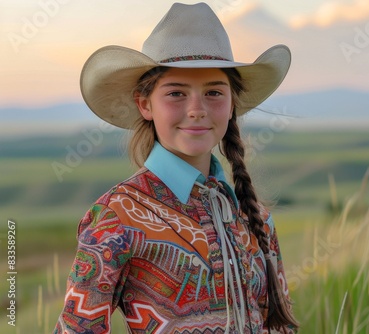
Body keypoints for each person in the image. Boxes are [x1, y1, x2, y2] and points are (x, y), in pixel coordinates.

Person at [54, 2, 298, 333]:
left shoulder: (255, 217)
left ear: (232, 104)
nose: (196, 109)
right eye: (176, 93)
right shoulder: (117, 217)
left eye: (213, 91)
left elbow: (279, 326)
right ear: (145, 104)